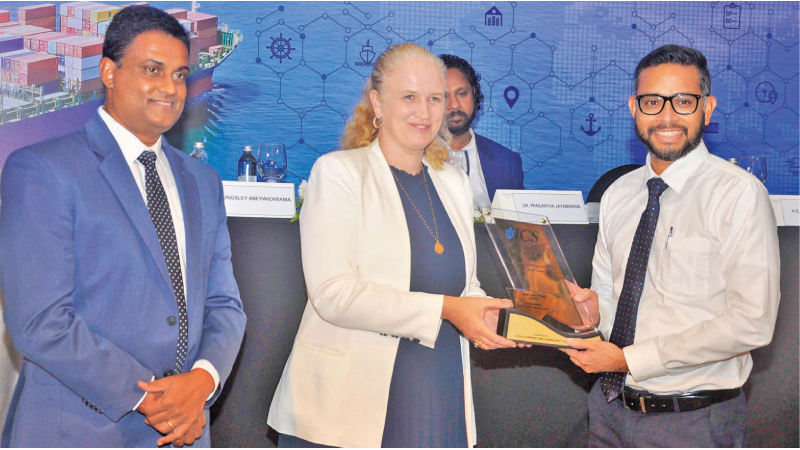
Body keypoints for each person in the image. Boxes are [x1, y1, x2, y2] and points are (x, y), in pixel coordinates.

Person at [0, 6, 246, 447]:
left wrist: (202, 383)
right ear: (109, 72)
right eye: (153, 70)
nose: (170, 88)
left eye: (179, 74)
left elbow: (225, 304)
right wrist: (156, 398)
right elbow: (39, 321)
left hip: (185, 431)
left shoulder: (204, 183)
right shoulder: (41, 169)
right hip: (80, 430)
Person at [267, 43, 517, 448]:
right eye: (409, 97)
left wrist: (500, 318)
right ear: (376, 103)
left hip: (439, 394)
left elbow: (464, 286)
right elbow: (334, 295)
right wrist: (448, 309)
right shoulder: (338, 173)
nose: (424, 111)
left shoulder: (452, 183)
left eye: (435, 98)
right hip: (346, 410)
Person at [562, 44, 780, 447]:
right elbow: (612, 299)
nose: (666, 115)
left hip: (695, 422)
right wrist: (592, 315)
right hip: (608, 413)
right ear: (633, 108)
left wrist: (632, 360)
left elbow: (753, 320)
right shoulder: (617, 194)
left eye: (683, 101)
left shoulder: (738, 194)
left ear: (707, 108)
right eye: (652, 101)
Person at [439, 54, 525, 207]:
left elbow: (517, 225)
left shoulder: (507, 162)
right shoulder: (412, 158)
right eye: (444, 96)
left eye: (461, 93)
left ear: (475, 94)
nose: (454, 105)